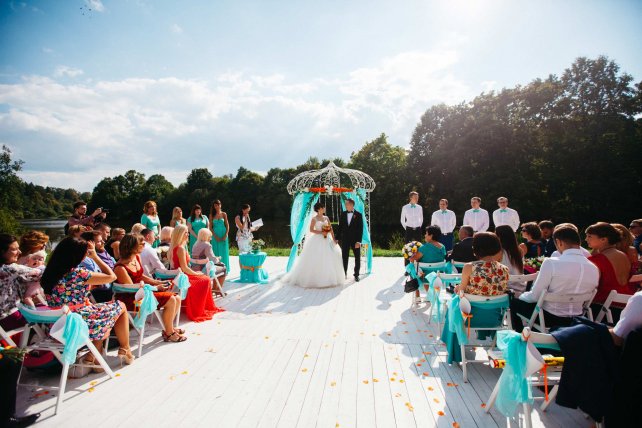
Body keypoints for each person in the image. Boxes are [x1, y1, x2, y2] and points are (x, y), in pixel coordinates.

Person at [41, 237, 134, 365]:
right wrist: (95, 257)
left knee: (100, 313)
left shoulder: (48, 273)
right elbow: (112, 276)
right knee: (119, 306)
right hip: (77, 323)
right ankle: (124, 348)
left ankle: (94, 355)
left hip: (57, 325)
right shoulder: (78, 274)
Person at [510, 224, 600, 332]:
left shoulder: (551, 263)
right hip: (577, 319)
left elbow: (535, 296)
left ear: (559, 242)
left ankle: (521, 336)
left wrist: (520, 296)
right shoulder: (594, 268)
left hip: (549, 318)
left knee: (513, 301)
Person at [0, 235, 42, 427]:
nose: (18, 252)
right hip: (7, 317)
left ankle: (37, 357)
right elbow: (40, 274)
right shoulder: (9, 269)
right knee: (43, 320)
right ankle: (44, 360)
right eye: (13, 249)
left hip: (5, 318)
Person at [113, 234, 186, 343]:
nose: (144, 245)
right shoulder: (120, 268)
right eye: (142, 244)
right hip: (130, 299)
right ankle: (169, 333)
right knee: (171, 299)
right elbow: (132, 289)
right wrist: (156, 288)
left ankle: (169, 328)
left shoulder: (136, 258)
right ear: (132, 247)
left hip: (142, 292)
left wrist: (157, 282)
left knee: (177, 298)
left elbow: (140, 276)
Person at [170, 225, 224, 321]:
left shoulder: (178, 247)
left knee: (204, 278)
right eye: (186, 233)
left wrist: (196, 272)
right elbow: (184, 268)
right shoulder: (180, 248)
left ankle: (200, 306)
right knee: (205, 279)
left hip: (181, 274)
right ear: (180, 234)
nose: (188, 234)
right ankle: (199, 308)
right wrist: (196, 274)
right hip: (182, 276)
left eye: (187, 232)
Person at [284, 203, 344, 288]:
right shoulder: (314, 219)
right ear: (319, 209)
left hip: (328, 239)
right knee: (316, 257)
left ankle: (331, 278)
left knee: (331, 256)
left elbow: (330, 229)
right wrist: (321, 232)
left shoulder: (326, 218)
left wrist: (334, 239)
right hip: (317, 239)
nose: (324, 209)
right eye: (323, 208)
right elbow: (311, 230)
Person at [586, 222, 635, 307]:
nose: (586, 239)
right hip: (626, 301)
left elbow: (588, 286)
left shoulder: (596, 260)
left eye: (589, 236)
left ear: (603, 239)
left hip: (604, 304)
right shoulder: (623, 255)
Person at [455, 232, 509, 296]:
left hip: (473, 302)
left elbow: (461, 293)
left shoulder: (469, 267)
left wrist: (458, 289)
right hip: (499, 302)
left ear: (476, 247)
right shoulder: (505, 269)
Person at [409, 225, 446, 301]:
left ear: (431, 235)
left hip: (424, 276)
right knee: (426, 269)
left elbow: (412, 260)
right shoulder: (442, 247)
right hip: (438, 275)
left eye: (426, 233)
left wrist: (411, 254)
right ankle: (431, 294)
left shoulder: (424, 248)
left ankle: (418, 296)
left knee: (412, 268)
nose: (425, 235)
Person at [80, 230, 115, 303]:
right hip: (98, 294)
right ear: (89, 244)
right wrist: (95, 256)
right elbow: (108, 278)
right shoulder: (86, 259)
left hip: (105, 290)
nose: (103, 242)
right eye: (99, 241)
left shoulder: (94, 256)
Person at [191, 228, 227, 295]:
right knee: (223, 268)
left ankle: (214, 289)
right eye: (210, 237)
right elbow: (213, 260)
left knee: (217, 267)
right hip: (204, 269)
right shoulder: (207, 245)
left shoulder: (195, 244)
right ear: (206, 236)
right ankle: (217, 290)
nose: (211, 239)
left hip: (194, 268)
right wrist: (218, 259)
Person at [495, 225, 526, 294]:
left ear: (499, 237)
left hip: (507, 290)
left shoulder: (499, 252)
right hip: (521, 287)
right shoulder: (519, 250)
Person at [338, 198, 364, 282]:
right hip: (345, 239)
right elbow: (340, 227)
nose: (345, 205)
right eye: (345, 204)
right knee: (344, 257)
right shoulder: (343, 214)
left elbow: (360, 229)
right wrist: (337, 238)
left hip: (355, 240)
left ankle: (356, 275)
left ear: (352, 205)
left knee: (357, 257)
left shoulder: (358, 215)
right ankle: (344, 273)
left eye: (347, 204)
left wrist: (359, 241)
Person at [209, 199, 230, 270]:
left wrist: (226, 235)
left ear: (220, 205)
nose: (217, 206)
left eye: (218, 205)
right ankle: (217, 269)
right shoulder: (211, 215)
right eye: (215, 205)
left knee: (224, 251)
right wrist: (215, 236)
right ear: (214, 206)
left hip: (223, 234)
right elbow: (210, 227)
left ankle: (225, 268)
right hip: (215, 235)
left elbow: (227, 225)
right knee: (215, 250)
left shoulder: (224, 214)